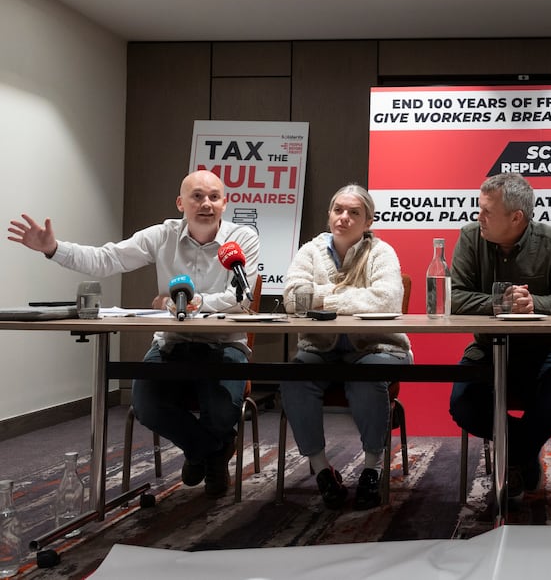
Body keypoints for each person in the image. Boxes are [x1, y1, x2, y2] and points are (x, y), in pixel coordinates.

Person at [7, 170, 259, 498]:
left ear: (225, 203)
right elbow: (106, 259)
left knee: (223, 411)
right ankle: (212, 453)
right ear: (181, 203)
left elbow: (240, 297)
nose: (206, 204)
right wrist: (54, 248)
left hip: (223, 344)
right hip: (172, 343)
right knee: (146, 405)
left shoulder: (243, 238)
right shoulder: (162, 235)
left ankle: (205, 452)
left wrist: (194, 303)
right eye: (197, 196)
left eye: (214, 196)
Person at [279, 184, 412, 510]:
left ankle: (372, 468)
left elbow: (385, 300)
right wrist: (348, 298)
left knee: (365, 377)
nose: (344, 217)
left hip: (378, 348)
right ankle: (322, 469)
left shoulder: (382, 252)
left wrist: (323, 297)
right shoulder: (310, 251)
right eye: (338, 210)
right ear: (329, 215)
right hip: (319, 350)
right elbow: (292, 298)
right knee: (293, 378)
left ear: (368, 221)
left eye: (354, 212)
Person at [448, 173, 551, 497]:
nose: (479, 217)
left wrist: (537, 302)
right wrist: (500, 302)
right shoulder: (469, 238)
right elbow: (452, 297)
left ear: (516, 217)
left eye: (487, 212)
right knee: (462, 405)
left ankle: (515, 460)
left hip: (543, 349)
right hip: (487, 348)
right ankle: (524, 456)